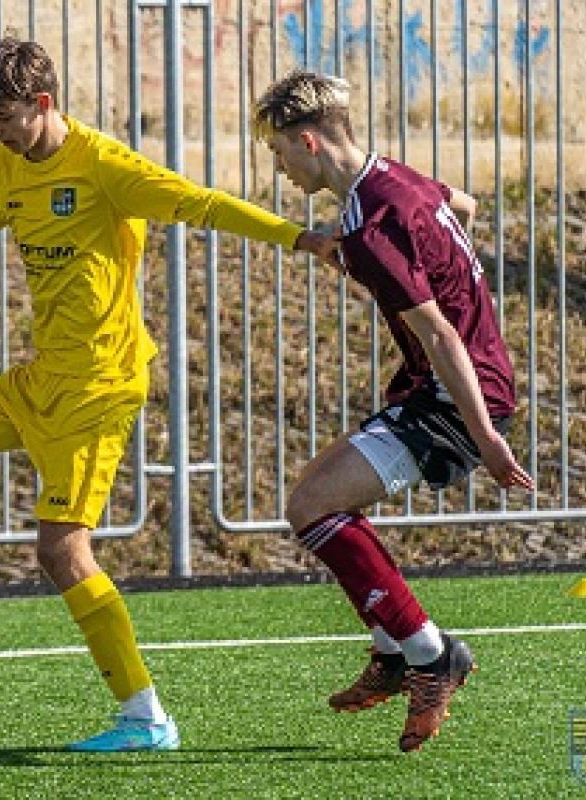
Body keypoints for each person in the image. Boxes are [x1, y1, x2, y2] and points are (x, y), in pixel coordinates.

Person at [0, 39, 335, 753]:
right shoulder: (6, 167)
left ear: (43, 105)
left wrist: (301, 239)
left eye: (7, 119)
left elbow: (201, 205)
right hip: (42, 379)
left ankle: (146, 717)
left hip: (100, 387)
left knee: (62, 551)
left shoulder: (104, 167)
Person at [252, 71, 535, 753]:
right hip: (440, 386)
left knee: (312, 506)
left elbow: (439, 335)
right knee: (323, 502)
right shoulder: (395, 180)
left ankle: (431, 657)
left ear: (311, 142)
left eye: (280, 153)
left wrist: (485, 435)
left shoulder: (372, 227)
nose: (279, 169)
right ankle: (392, 652)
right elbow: (458, 206)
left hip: (454, 395)